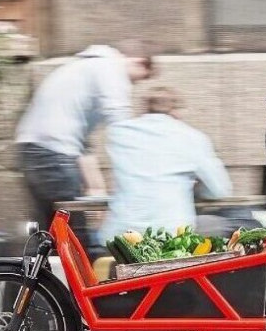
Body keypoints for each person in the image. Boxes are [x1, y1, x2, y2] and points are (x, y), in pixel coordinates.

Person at [16, 41, 152, 259]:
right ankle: (83, 294)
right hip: (53, 154)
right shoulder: (111, 67)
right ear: (138, 61)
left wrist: (96, 186)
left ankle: (22, 291)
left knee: (45, 240)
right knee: (76, 241)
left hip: (31, 149)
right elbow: (121, 125)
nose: (133, 86)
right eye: (137, 80)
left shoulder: (82, 68)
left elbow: (82, 144)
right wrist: (143, 172)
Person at [98, 87, 232, 243]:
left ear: (145, 108)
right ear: (176, 111)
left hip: (119, 235)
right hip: (170, 236)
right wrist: (195, 187)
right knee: (225, 225)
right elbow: (220, 190)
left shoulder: (118, 133)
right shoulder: (193, 137)